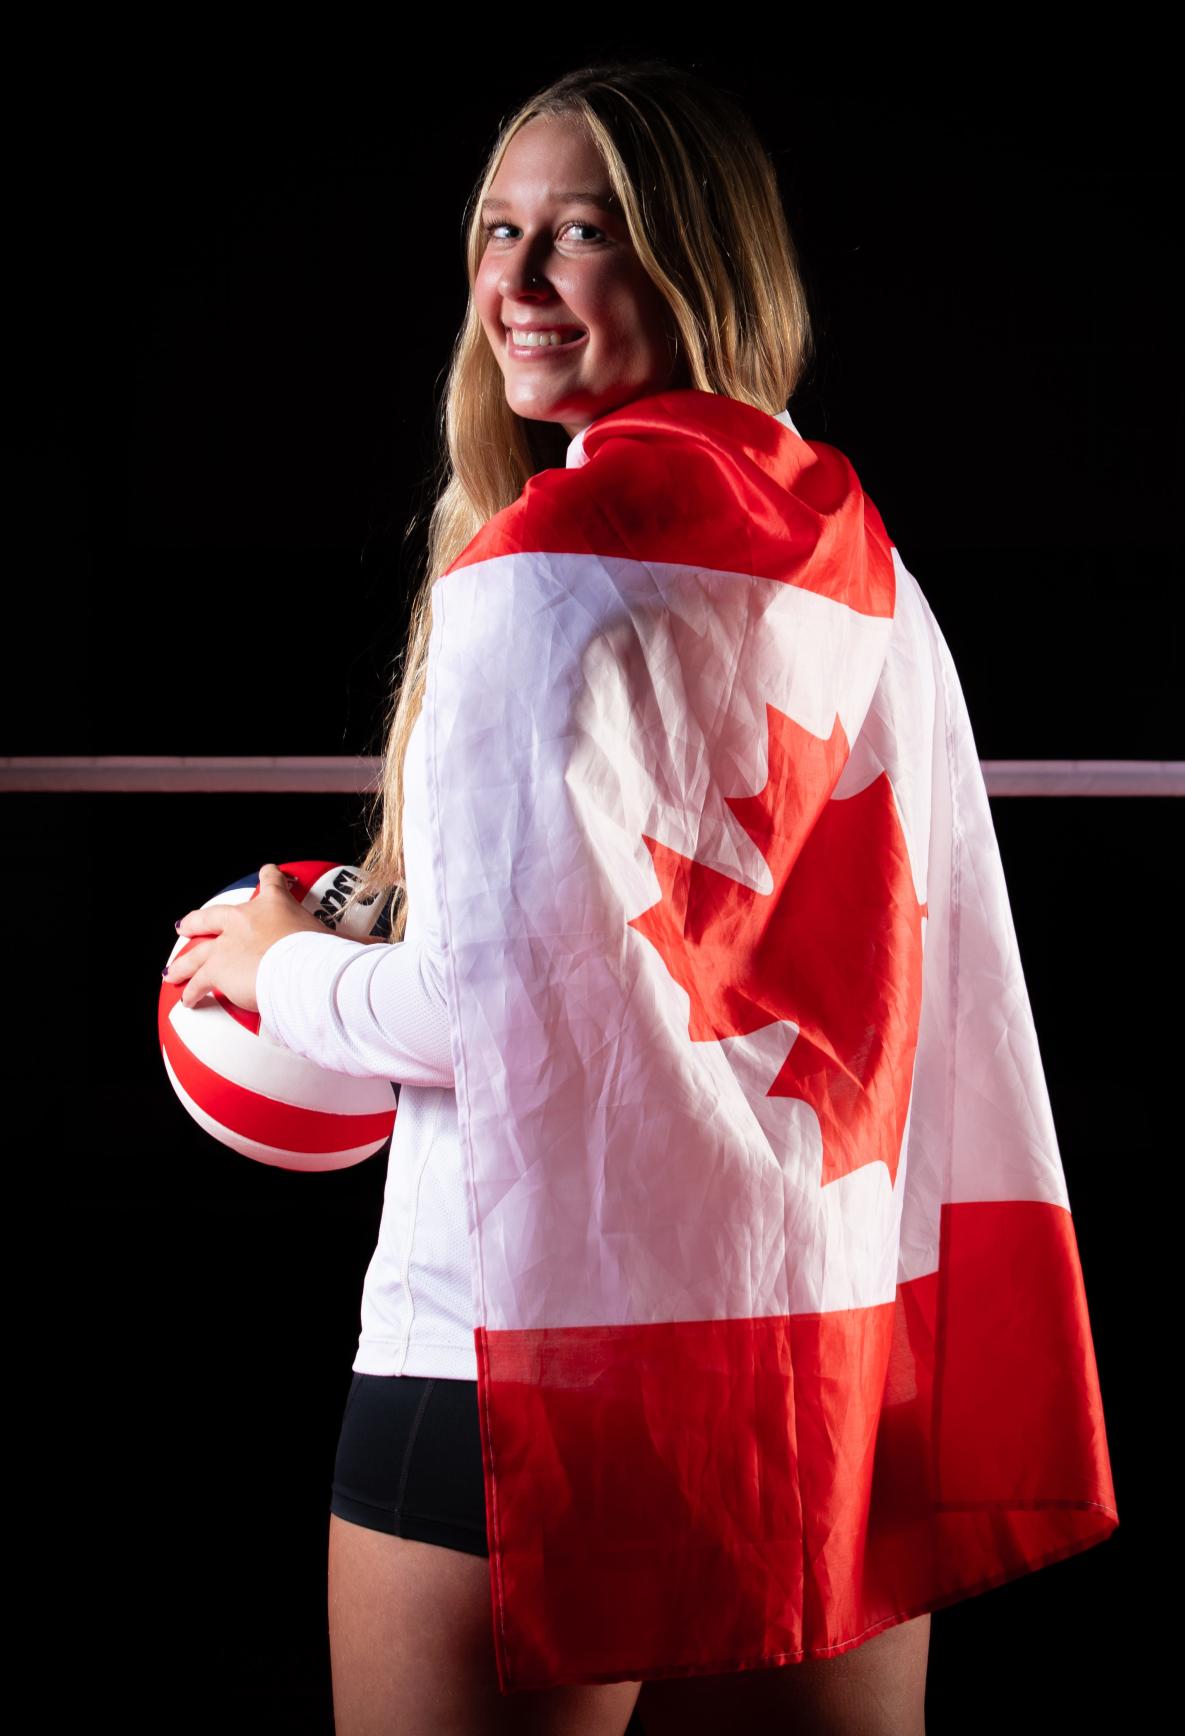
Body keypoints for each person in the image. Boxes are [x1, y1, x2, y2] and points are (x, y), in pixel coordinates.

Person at [167, 58, 965, 1735]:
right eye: (497, 230)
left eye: (581, 233)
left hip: (518, 1341)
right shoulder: (853, 552)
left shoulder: (537, 571)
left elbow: (493, 1013)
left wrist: (281, 965)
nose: (517, 284)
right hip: (808, 1335)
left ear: (697, 261)